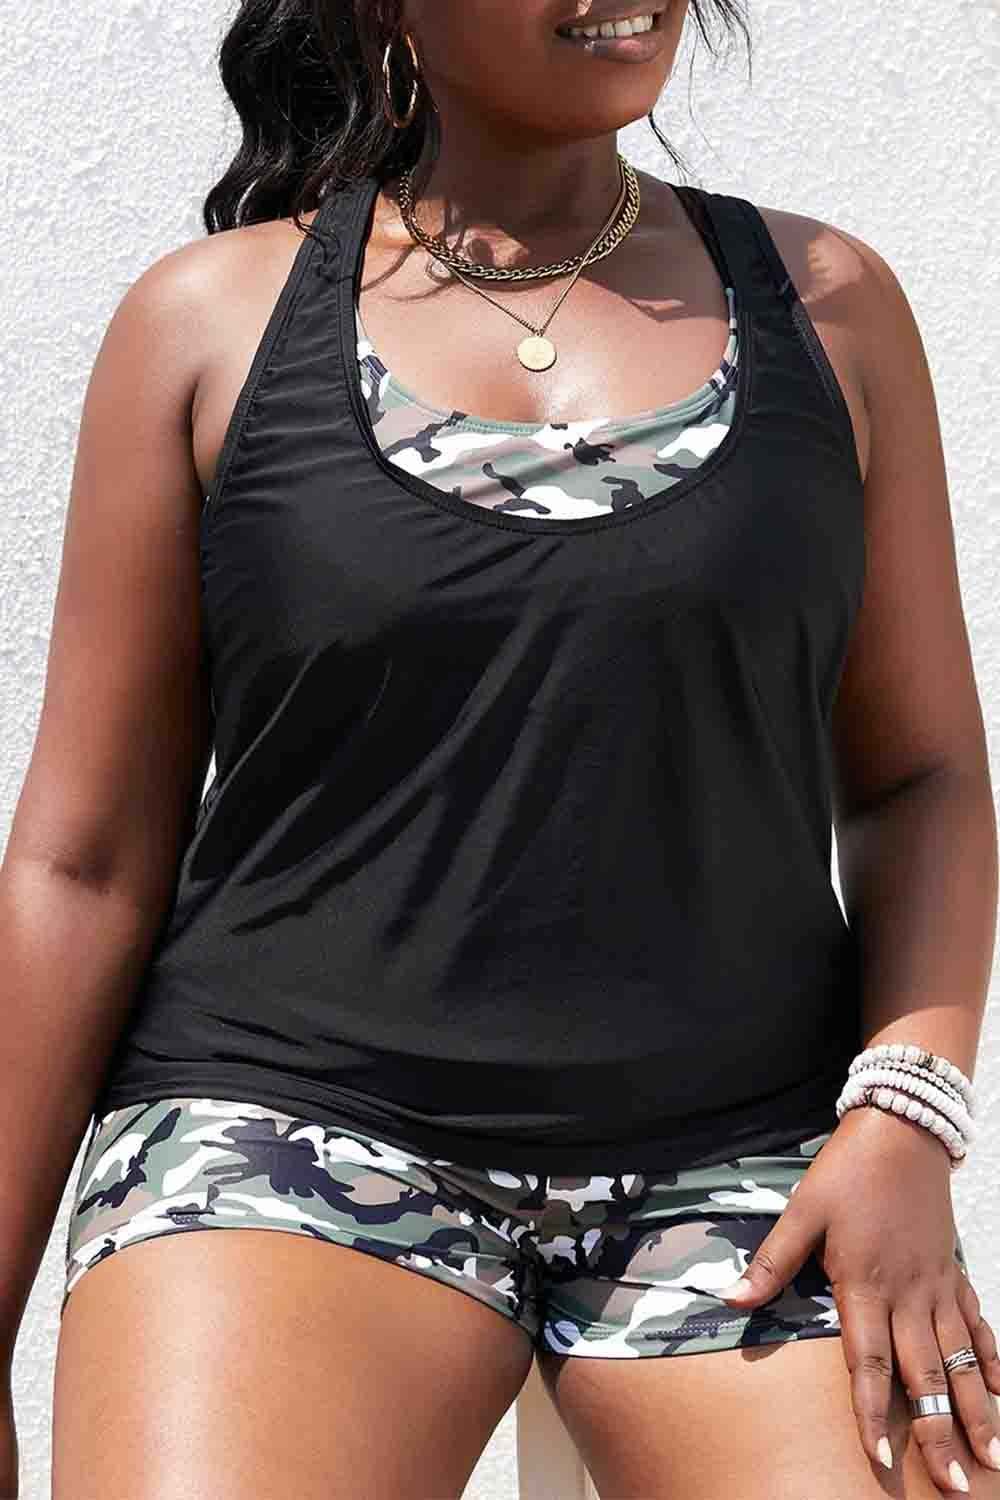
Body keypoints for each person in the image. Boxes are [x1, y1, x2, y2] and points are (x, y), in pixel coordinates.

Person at [0, 0, 996, 1496]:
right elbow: (82, 865)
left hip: (742, 1155)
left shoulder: (829, 306)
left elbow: (920, 778)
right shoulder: (210, 323)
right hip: (292, 1132)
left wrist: (906, 1116)